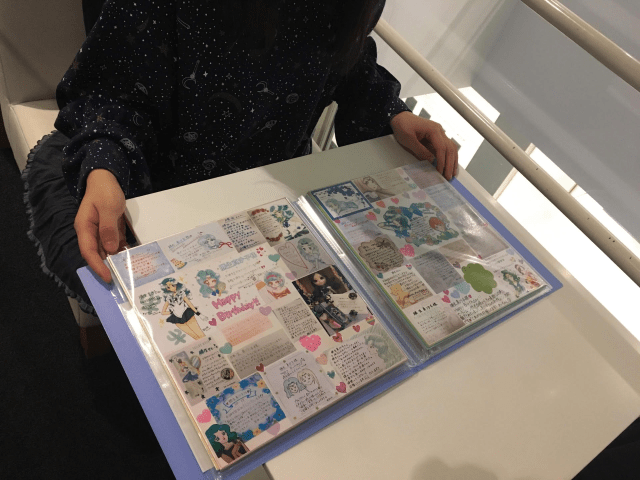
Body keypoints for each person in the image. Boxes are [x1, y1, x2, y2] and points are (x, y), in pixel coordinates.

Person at [24, 0, 458, 318]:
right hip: (161, 188)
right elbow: (114, 88)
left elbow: (349, 60)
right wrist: (104, 168)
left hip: (276, 191)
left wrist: (391, 112)